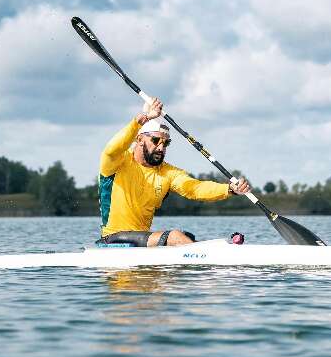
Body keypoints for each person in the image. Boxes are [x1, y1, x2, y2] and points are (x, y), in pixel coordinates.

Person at [97, 98, 250, 247]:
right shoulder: (118, 162)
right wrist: (140, 121)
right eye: (156, 141)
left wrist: (229, 189)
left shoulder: (167, 172)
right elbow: (110, 150)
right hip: (113, 238)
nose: (161, 148)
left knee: (186, 237)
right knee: (175, 237)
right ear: (140, 139)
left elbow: (194, 188)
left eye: (166, 143)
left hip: (141, 239)